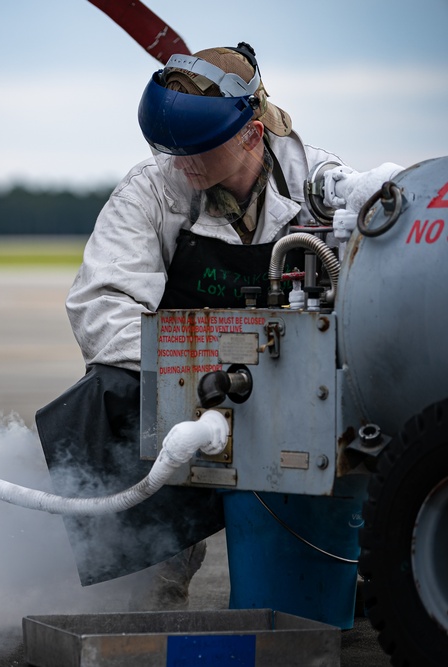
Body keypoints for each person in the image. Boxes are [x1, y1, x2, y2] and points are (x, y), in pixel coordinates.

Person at [36, 43, 362, 616]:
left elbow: (368, 307)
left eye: (198, 149)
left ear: (252, 135)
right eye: (169, 148)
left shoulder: (322, 187)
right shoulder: (152, 191)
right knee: (103, 395)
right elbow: (102, 302)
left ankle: (358, 566)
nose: (181, 162)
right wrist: (183, 380)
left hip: (296, 391)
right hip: (184, 393)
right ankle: (154, 559)